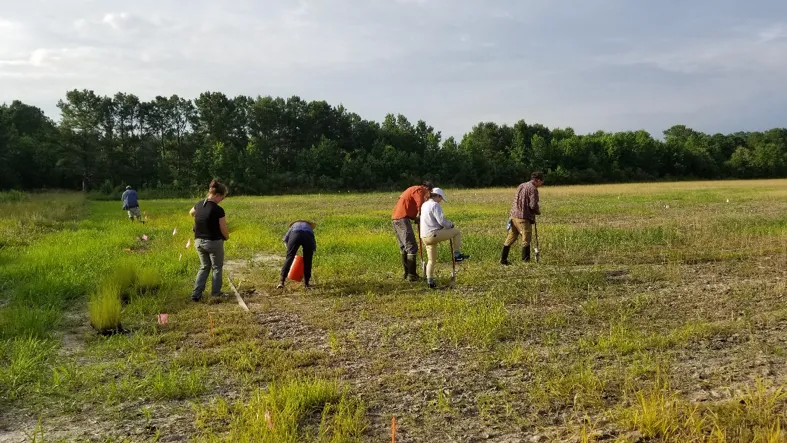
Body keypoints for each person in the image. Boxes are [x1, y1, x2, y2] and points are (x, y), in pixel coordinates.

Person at [419, 188, 470, 289]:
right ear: (437, 196)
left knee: (431, 260)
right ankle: (457, 255)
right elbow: (441, 221)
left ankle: (430, 281)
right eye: (441, 198)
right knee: (456, 232)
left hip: (424, 237)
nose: (441, 200)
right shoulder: (435, 205)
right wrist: (450, 225)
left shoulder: (424, 204)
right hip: (433, 234)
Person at [189, 179, 229, 301]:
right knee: (216, 267)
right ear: (217, 195)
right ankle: (216, 293)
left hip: (198, 242)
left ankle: (196, 294)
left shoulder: (199, 204)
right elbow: (223, 228)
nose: (221, 201)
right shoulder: (218, 210)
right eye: (222, 198)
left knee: (204, 267)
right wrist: (226, 237)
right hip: (213, 243)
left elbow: (191, 213)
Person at [392, 181, 433, 281]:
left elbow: (409, 206)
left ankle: (406, 274)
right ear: (427, 189)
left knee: (404, 247)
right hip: (402, 218)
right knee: (411, 246)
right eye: (430, 193)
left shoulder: (412, 189)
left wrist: (416, 218)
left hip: (396, 218)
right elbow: (421, 206)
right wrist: (422, 217)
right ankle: (412, 275)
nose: (429, 196)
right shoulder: (420, 190)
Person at [501, 171, 544, 265]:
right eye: (541, 181)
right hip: (523, 218)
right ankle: (526, 261)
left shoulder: (521, 185)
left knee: (511, 237)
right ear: (537, 180)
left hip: (513, 216)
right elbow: (533, 205)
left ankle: (503, 260)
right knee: (526, 239)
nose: (541, 184)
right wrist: (537, 211)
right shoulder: (533, 189)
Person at [277, 220, 317, 289]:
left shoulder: (294, 225)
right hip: (307, 236)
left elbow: (285, 240)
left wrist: (290, 251)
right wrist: (309, 252)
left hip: (295, 234)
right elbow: (313, 244)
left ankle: (281, 282)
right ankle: (306, 284)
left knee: (289, 257)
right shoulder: (309, 228)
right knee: (308, 259)